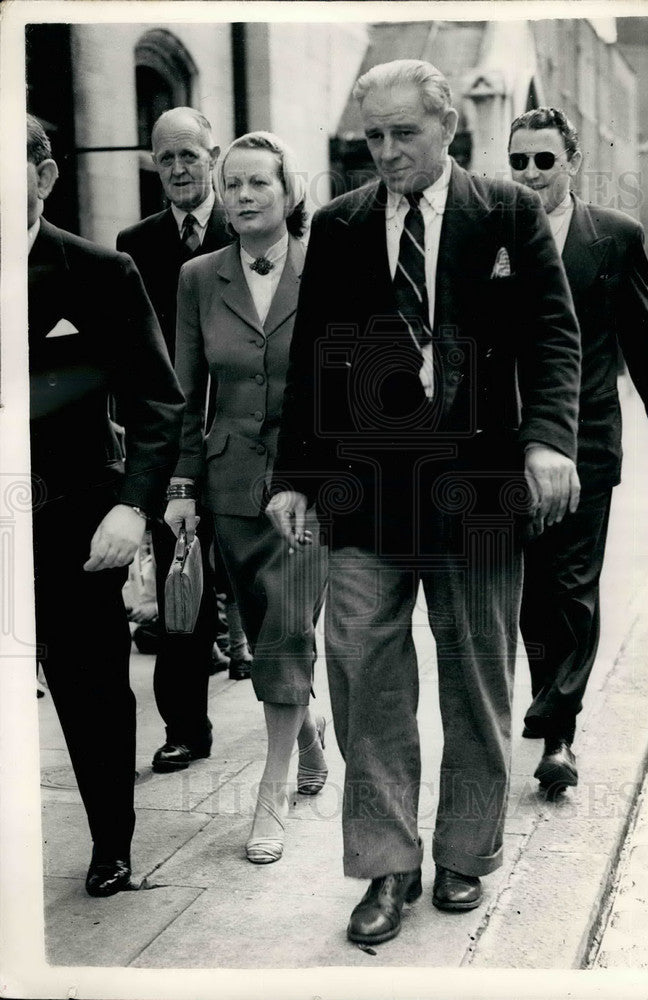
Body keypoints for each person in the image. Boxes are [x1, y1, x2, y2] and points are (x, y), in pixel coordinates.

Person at [267, 60, 581, 945]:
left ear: (448, 128)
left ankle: (465, 853)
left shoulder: (508, 214)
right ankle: (385, 866)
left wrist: (548, 440)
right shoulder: (339, 225)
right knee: (364, 676)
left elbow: (555, 337)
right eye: (374, 136)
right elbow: (314, 360)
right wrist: (296, 476)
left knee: (477, 677)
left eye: (405, 133)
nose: (388, 150)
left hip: (478, 495)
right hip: (366, 498)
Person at [27, 114, 184, 896]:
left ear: (45, 175)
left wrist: (131, 507)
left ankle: (110, 845)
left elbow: (159, 402)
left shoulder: (98, 273)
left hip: (74, 522)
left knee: (89, 687)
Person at [164, 131, 329, 866]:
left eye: (260, 182)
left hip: (310, 493)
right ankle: (311, 737)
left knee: (290, 629)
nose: (244, 196)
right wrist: (181, 489)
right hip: (231, 488)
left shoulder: (324, 269)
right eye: (232, 185)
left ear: (289, 192)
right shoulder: (199, 278)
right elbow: (184, 394)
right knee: (266, 637)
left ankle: (271, 793)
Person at [508, 108, 648, 788]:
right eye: (518, 161)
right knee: (530, 596)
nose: (529, 175)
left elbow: (642, 338)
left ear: (571, 165)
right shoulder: (493, 233)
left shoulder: (612, 237)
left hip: (587, 444)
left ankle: (558, 731)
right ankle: (550, 699)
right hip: (511, 447)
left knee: (572, 586)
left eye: (543, 161)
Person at [116, 108, 242, 778]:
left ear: (213, 154)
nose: (179, 169)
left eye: (189, 155)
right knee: (180, 591)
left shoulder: (248, 222)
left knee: (272, 586)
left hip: (248, 439)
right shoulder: (135, 244)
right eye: (165, 158)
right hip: (175, 450)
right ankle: (185, 727)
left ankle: (297, 719)